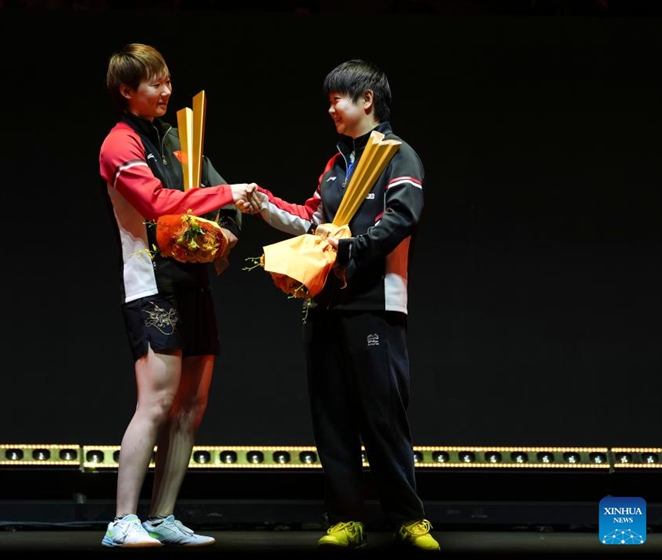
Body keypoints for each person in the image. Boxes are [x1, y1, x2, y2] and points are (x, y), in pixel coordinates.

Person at [239, 59, 440, 551]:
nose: (330, 107)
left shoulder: (398, 155)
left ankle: (408, 519)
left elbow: (404, 215)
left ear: (366, 99)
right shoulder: (335, 166)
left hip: (376, 303)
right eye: (328, 99)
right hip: (325, 304)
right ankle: (344, 519)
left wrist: (350, 246)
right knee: (332, 416)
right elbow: (311, 220)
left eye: (337, 98)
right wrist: (262, 203)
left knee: (382, 416)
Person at [98, 43, 256, 548]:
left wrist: (227, 232)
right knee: (157, 401)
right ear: (127, 91)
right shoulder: (118, 146)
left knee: (192, 403)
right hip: (151, 284)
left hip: (194, 283)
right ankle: (123, 520)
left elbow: (219, 191)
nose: (166, 91)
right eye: (154, 83)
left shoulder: (177, 138)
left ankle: (163, 515)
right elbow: (158, 203)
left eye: (168, 80)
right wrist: (228, 196)